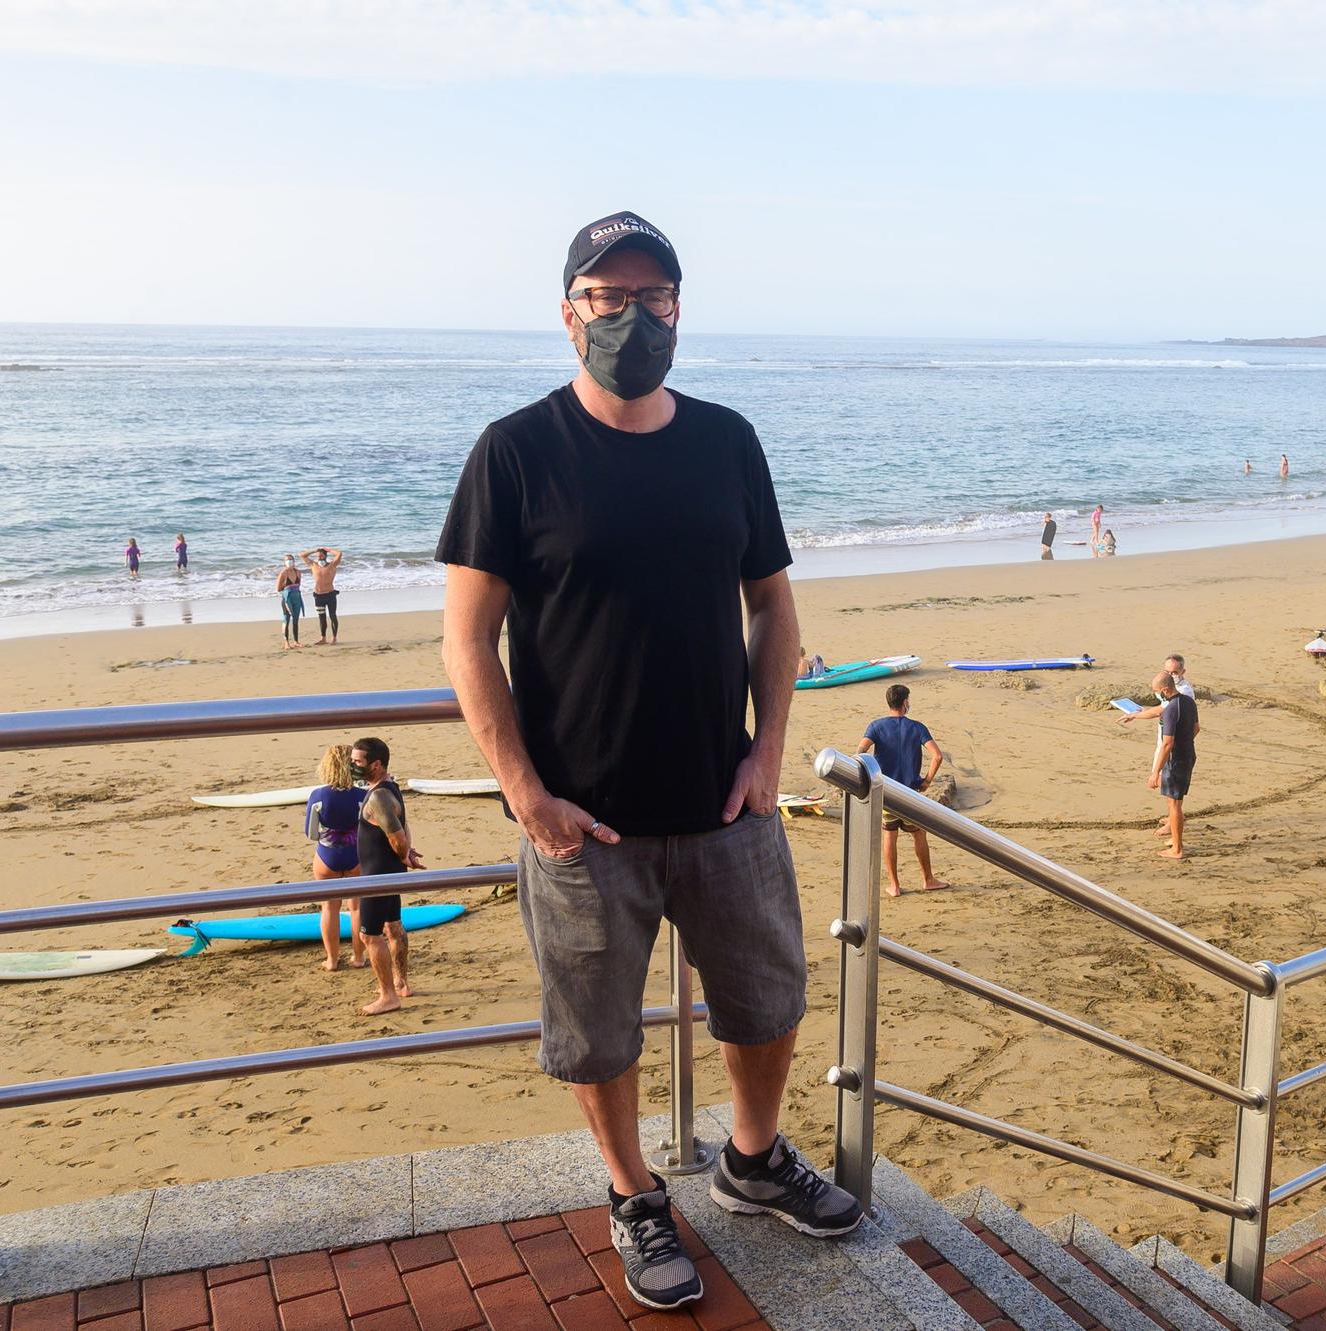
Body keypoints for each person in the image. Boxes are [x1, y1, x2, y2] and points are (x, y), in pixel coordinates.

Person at [437, 209, 859, 1312]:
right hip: (583, 822)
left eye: (651, 296)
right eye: (606, 297)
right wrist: (526, 792)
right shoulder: (515, 450)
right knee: (597, 1030)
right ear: (568, 312)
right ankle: (632, 1192)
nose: (631, 315)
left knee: (766, 1004)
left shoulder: (726, 440)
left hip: (726, 804)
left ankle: (753, 1159)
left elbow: (771, 606)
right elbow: (465, 639)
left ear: (680, 308)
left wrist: (767, 751)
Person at [352, 737, 422, 1016]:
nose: (353, 766)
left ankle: (388, 996)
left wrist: (404, 851)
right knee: (393, 926)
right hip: (389, 871)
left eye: (358, 762)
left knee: (370, 936)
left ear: (376, 764)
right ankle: (401, 983)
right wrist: (406, 854)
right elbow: (402, 824)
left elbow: (397, 837)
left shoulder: (380, 796)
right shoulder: (389, 787)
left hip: (378, 876)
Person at [857, 684, 947, 897]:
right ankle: (928, 879)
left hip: (887, 792)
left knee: (890, 834)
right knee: (918, 834)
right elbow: (938, 756)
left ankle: (894, 885)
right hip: (910, 792)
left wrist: (867, 773)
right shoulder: (917, 728)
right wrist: (927, 780)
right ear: (905, 702)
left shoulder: (876, 726)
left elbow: (861, 750)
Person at [304, 745, 369, 972]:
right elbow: (367, 828)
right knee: (357, 908)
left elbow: (311, 833)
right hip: (355, 854)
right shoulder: (362, 795)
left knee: (329, 908)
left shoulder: (318, 795)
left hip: (327, 855)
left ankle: (332, 960)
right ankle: (359, 957)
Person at [1146, 671, 1197, 860]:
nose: (1157, 694)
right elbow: (1196, 728)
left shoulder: (1170, 710)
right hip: (1188, 755)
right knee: (1173, 800)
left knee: (1174, 804)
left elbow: (1167, 743)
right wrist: (1185, 743)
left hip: (1175, 760)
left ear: (1165, 690)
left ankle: (1177, 849)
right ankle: (1175, 838)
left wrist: (1155, 772)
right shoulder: (1189, 702)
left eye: (1157, 691)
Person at [301, 546, 343, 645]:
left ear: (325, 556)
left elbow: (339, 554)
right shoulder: (313, 564)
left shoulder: (332, 564)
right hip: (318, 596)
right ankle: (323, 638)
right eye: (317, 556)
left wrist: (328, 549)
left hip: (330, 595)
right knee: (321, 617)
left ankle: (334, 638)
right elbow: (302, 555)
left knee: (333, 616)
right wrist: (314, 550)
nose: (319, 557)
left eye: (321, 555)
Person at [276, 554, 305, 649]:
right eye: (287, 560)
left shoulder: (298, 572)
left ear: (294, 561)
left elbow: (298, 585)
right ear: (284, 563)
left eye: (290, 560)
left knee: (296, 620)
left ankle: (296, 641)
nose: (289, 562)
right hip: (287, 599)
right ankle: (286, 642)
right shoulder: (283, 573)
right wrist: (286, 589)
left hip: (296, 598)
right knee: (286, 620)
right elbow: (278, 588)